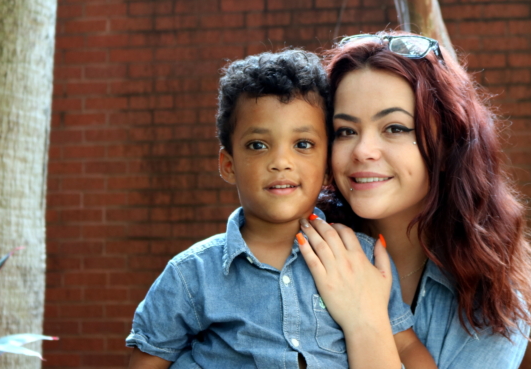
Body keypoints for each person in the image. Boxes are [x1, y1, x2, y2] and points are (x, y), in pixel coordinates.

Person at [125, 49, 436, 369]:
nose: (281, 162)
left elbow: (405, 345)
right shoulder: (192, 274)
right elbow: (148, 361)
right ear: (229, 165)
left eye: (302, 144)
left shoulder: (360, 258)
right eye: (258, 145)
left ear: (328, 165)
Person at [298, 31, 531, 369]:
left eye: (395, 128)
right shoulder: (299, 247)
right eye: (345, 131)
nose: (363, 150)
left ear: (448, 140)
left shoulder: (492, 296)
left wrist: (365, 321)